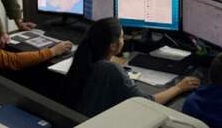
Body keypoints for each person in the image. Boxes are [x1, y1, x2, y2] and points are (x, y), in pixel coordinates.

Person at [64, 17, 200, 117]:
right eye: (122, 37)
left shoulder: (84, 59)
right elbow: (147, 103)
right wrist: (179, 87)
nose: (124, 40)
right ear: (113, 46)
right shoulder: (110, 69)